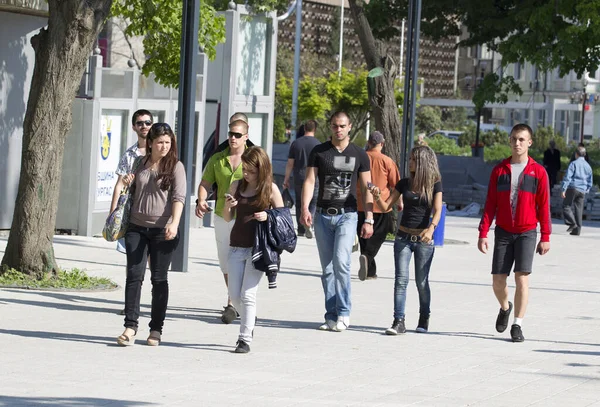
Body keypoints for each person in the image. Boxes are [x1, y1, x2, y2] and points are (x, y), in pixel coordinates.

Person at [301, 111, 374, 332]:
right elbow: (310, 180)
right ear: (330, 127)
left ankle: (344, 312)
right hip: (323, 215)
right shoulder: (319, 152)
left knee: (342, 262)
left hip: (347, 214)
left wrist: (369, 218)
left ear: (350, 126)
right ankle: (331, 315)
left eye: (342, 126)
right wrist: (305, 208)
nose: (338, 129)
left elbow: (366, 187)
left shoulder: (359, 154)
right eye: (334, 126)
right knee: (327, 269)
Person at [478, 123, 551, 343]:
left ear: (529, 142)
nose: (517, 143)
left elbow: (544, 206)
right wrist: (483, 232)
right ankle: (505, 307)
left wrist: (545, 236)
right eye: (514, 139)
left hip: (527, 232)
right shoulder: (499, 170)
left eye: (522, 139)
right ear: (509, 141)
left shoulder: (538, 172)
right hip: (503, 232)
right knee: (497, 281)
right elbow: (490, 204)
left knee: (522, 279)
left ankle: (517, 325)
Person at [117, 123, 186, 347]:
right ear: (151, 143)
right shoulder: (140, 163)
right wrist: (128, 183)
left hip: (162, 230)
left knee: (159, 279)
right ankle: (130, 326)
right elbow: (132, 192)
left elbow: (179, 198)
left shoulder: (175, 166)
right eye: (160, 142)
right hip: (136, 227)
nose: (164, 146)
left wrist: (174, 223)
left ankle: (156, 329)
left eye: (167, 142)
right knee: (134, 276)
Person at [370, 145, 442, 335]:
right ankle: (398, 321)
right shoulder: (403, 183)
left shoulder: (435, 183)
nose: (409, 162)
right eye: (409, 159)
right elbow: (386, 206)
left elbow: (438, 210)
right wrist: (377, 197)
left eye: (413, 159)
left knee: (422, 282)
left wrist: (431, 228)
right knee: (401, 280)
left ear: (423, 162)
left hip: (424, 239)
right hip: (403, 237)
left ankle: (424, 316)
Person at [223, 146, 284, 353]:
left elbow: (283, 217)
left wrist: (268, 215)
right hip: (236, 245)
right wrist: (228, 205)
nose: (247, 175)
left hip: (258, 248)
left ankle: (244, 338)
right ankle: (250, 318)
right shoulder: (236, 185)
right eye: (245, 170)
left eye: (251, 171)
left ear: (262, 169)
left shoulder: (270, 189)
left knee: (248, 295)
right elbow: (226, 218)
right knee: (235, 295)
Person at [196, 113, 250, 324]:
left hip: (246, 218)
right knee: (226, 262)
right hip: (222, 216)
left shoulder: (254, 158)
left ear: (246, 136)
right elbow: (205, 184)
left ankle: (235, 302)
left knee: (243, 260)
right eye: (231, 134)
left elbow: (265, 185)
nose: (233, 138)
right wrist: (201, 200)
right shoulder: (217, 159)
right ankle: (234, 299)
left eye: (238, 134)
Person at [110, 109, 153, 315]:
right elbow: (119, 185)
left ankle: (156, 302)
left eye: (147, 122)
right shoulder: (130, 154)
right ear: (134, 126)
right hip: (133, 214)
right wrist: (113, 215)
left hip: (156, 215)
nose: (144, 126)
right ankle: (131, 304)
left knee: (155, 263)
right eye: (140, 123)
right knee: (133, 260)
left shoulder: (161, 151)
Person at [356, 131, 400, 281]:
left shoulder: (360, 158)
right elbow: (396, 185)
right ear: (382, 143)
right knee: (378, 236)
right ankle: (367, 258)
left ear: (369, 142)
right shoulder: (387, 161)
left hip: (360, 204)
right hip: (381, 206)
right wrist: (400, 202)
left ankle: (369, 271)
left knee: (364, 237)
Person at [283, 119, 321, 238]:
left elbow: (290, 163)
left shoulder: (296, 143)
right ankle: (310, 222)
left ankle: (300, 229)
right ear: (315, 129)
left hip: (299, 176)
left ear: (304, 128)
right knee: (313, 202)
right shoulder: (318, 144)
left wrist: (286, 179)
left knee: (300, 202)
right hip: (314, 177)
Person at [561, 145, 593, 236]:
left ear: (576, 154)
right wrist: (586, 189)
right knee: (579, 210)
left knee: (566, 206)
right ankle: (577, 230)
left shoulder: (573, 164)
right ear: (584, 154)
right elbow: (590, 181)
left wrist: (563, 189)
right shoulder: (588, 166)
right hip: (582, 190)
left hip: (573, 188)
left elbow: (568, 177)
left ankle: (572, 223)